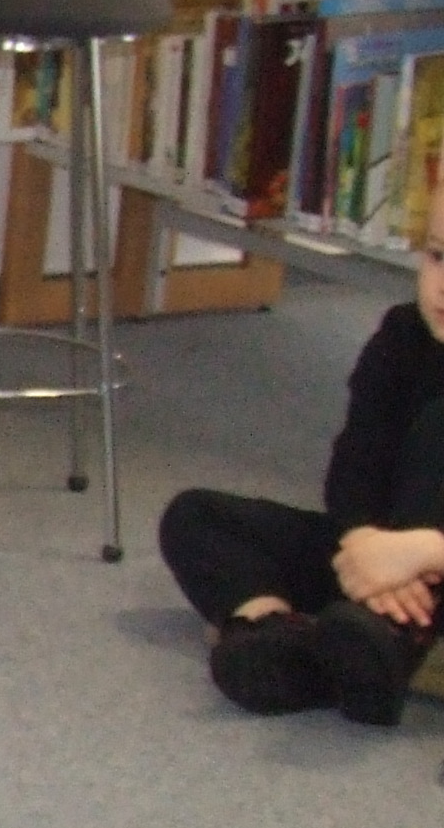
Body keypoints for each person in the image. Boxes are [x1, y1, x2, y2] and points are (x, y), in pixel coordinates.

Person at [157, 248, 444, 727]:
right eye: (438, 256)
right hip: (372, 566)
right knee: (195, 517)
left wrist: (425, 553)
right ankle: (279, 634)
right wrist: (363, 545)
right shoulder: (402, 335)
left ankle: (389, 640)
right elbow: (354, 469)